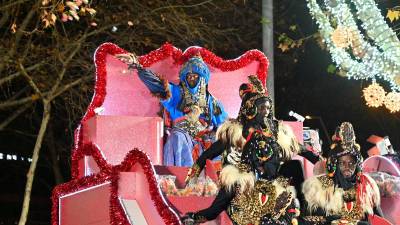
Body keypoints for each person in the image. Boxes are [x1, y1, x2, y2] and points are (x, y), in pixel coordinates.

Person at [181, 85, 301, 225]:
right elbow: (209, 154)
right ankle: (200, 217)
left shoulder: (274, 132)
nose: (266, 112)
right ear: (251, 109)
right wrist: (194, 172)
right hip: (241, 178)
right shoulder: (234, 133)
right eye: (262, 108)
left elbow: (297, 147)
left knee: (290, 202)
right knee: (226, 194)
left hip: (267, 179)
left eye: (268, 108)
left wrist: (317, 157)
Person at [116, 52, 228, 166]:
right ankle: (180, 177)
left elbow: (224, 125)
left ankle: (214, 179)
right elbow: (157, 84)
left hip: (203, 140)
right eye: (189, 76)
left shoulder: (212, 101)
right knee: (177, 137)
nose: (192, 78)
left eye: (195, 76)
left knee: (222, 142)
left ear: (202, 78)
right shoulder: (175, 92)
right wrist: (138, 66)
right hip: (182, 135)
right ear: (185, 77)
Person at [300, 122, 383, 225]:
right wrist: (333, 220)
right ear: (334, 164)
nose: (347, 167)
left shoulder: (365, 187)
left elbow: (379, 219)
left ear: (358, 165)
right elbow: (309, 219)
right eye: (342, 163)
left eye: (351, 163)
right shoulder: (320, 187)